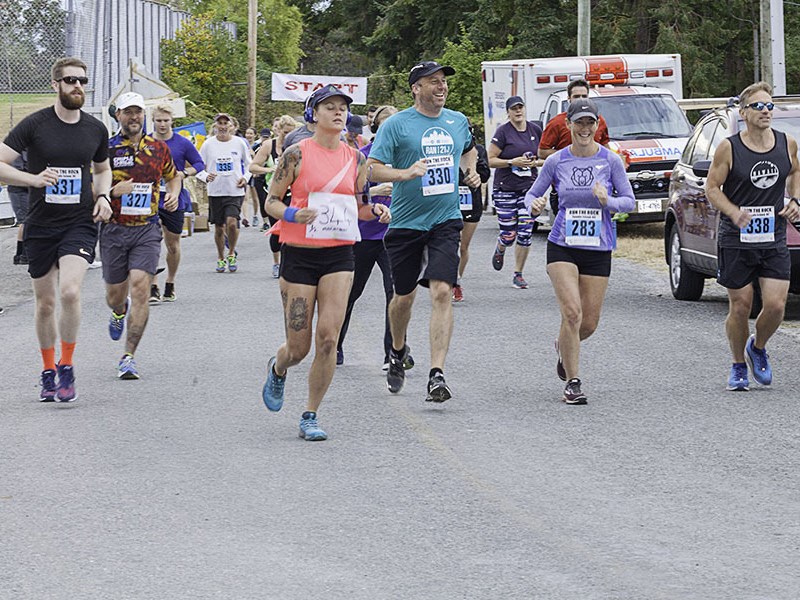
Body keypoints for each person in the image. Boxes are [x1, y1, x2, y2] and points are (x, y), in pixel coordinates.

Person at [260, 84, 391, 441]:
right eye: (329, 106)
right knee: (298, 348)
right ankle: (279, 366)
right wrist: (291, 212)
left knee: (329, 338)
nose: (338, 112)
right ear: (313, 114)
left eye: (342, 107)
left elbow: (359, 205)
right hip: (299, 254)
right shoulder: (295, 154)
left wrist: (376, 210)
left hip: (339, 254)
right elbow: (270, 202)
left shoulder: (357, 159)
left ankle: (310, 414)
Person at [0, 56, 112, 402]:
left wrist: (104, 195)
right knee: (46, 303)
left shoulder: (95, 128)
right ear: (56, 85)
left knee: (70, 292)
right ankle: (47, 369)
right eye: (70, 81)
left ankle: (67, 365)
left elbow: (103, 168)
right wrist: (32, 178)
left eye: (82, 80)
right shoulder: (34, 125)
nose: (77, 86)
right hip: (40, 224)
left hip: (78, 222)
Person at [367, 60, 480, 402]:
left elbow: (468, 149)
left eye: (443, 81)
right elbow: (372, 170)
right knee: (403, 297)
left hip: (445, 220)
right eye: (433, 82)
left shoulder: (457, 121)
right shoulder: (397, 125)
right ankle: (398, 350)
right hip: (405, 222)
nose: (441, 86)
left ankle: (436, 373)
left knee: (442, 291)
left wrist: (470, 171)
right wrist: (405, 174)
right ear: (416, 88)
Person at [525, 99, 634, 405]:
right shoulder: (556, 161)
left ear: (597, 126)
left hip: (598, 246)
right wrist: (533, 205)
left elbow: (628, 201)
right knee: (571, 312)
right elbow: (533, 194)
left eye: (590, 123)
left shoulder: (610, 161)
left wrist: (607, 202)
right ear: (569, 126)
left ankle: (563, 346)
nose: (585, 129)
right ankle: (573, 382)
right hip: (563, 244)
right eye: (579, 123)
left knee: (588, 323)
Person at [705, 82, 800, 391]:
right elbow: (711, 188)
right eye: (759, 106)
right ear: (743, 112)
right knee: (741, 305)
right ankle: (736, 365)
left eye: (770, 106)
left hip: (772, 235)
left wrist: (795, 200)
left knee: (775, 305)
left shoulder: (787, 144)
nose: (766, 111)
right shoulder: (729, 147)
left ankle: (757, 347)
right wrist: (733, 212)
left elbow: (795, 172)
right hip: (737, 237)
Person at [104, 92, 180, 379]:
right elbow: (91, 186)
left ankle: (128, 356)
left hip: (147, 228)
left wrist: (172, 194)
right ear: (118, 116)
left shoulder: (158, 148)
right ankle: (117, 310)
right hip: (113, 228)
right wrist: (112, 192)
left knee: (140, 287)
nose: (134, 117)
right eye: (128, 112)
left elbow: (174, 175)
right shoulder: (107, 148)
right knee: (115, 294)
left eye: (138, 112)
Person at [336, 105, 415, 370]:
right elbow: (344, 194)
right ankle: (334, 344)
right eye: (386, 125)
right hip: (364, 235)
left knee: (396, 295)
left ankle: (392, 353)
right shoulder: (362, 158)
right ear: (377, 129)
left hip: (398, 236)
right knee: (350, 293)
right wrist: (373, 190)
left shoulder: (410, 157)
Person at [150, 103, 208, 303]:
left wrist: (183, 173)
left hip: (175, 196)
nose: (162, 124)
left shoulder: (182, 143)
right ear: (153, 121)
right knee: (151, 240)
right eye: (159, 121)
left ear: (172, 121)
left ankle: (170, 282)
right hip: (150, 198)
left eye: (166, 121)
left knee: (172, 244)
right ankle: (153, 285)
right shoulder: (146, 142)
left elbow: (199, 164)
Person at [487, 96, 543, 289]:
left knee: (526, 232)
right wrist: (512, 162)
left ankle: (518, 273)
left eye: (520, 107)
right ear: (508, 112)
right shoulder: (503, 132)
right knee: (509, 233)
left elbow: (544, 158)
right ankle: (501, 245)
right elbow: (490, 159)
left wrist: (533, 163)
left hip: (528, 189)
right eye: (514, 109)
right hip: (505, 189)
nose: (518, 111)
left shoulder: (535, 130)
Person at [538, 79, 611, 216]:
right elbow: (542, 151)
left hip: (596, 191)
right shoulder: (557, 123)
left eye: (584, 96)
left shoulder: (599, 121)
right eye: (576, 96)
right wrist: (570, 156)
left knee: (598, 235)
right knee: (564, 235)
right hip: (565, 190)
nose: (580, 99)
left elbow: (606, 148)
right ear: (568, 99)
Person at [199, 113, 252, 273]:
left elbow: (249, 164)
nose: (222, 127)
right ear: (215, 126)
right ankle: (221, 257)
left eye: (225, 123)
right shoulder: (208, 145)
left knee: (231, 222)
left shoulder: (239, 143)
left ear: (231, 126)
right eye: (219, 124)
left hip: (234, 190)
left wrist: (245, 178)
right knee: (219, 228)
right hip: (216, 191)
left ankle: (231, 253)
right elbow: (198, 165)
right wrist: (205, 176)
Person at [251, 115, 297, 276]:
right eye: (285, 132)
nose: (288, 136)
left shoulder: (297, 146)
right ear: (278, 130)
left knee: (290, 227)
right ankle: (276, 262)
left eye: (292, 132)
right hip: (271, 193)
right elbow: (253, 167)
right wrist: (269, 170)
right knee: (276, 229)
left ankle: (288, 261)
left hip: (292, 193)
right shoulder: (268, 146)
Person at [453, 133, 490, 302]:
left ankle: (458, 278)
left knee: (463, 246)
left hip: (471, 202)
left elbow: (485, 175)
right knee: (452, 243)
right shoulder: (448, 150)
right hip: (450, 202)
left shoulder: (479, 150)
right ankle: (453, 282)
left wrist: (474, 169)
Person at [8, 152, 30, 265]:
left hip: (27, 189)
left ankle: (22, 254)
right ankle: (22, 255)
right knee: (25, 221)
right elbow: (17, 173)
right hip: (19, 190)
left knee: (27, 221)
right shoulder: (17, 152)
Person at [242, 126, 261, 228]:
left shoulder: (258, 145)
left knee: (254, 197)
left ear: (254, 135)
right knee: (245, 196)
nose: (248, 135)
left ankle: (255, 215)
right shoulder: (242, 144)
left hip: (253, 173)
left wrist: (253, 155)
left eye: (250, 133)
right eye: (247, 133)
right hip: (245, 172)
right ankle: (245, 218)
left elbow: (259, 160)